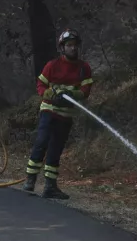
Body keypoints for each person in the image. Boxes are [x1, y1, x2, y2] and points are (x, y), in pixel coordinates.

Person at [23, 29, 94, 199]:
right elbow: (40, 85)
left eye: (75, 45)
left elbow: (86, 90)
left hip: (66, 115)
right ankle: (30, 180)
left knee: (56, 149)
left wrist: (73, 95)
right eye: (69, 45)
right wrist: (49, 94)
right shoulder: (52, 65)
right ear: (62, 48)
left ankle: (50, 186)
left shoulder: (84, 68)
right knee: (42, 142)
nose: (73, 49)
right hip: (49, 110)